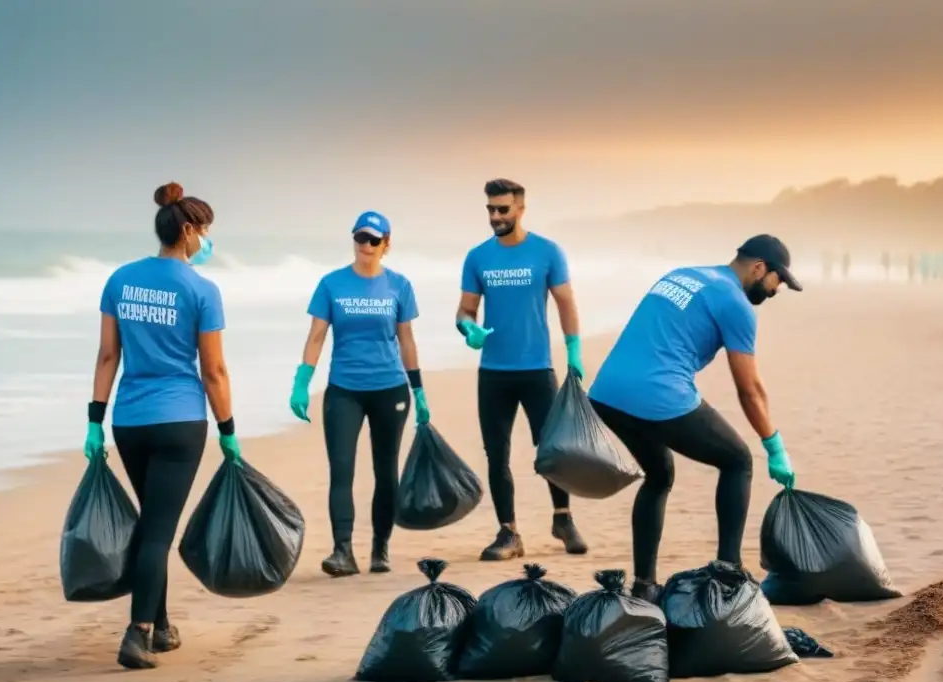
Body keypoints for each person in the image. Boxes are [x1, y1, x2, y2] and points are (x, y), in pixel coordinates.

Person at [587, 234, 800, 603]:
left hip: (606, 393)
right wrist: (774, 445)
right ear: (759, 267)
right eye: (777, 280)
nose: (776, 290)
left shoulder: (683, 274)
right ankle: (728, 572)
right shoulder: (736, 303)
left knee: (658, 475)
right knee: (737, 460)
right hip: (657, 394)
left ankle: (644, 585)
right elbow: (749, 389)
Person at [84, 181, 241, 670]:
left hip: (128, 421)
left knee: (154, 521)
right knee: (157, 533)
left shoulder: (120, 280)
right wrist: (229, 430)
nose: (208, 240)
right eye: (207, 231)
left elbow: (109, 354)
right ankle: (139, 632)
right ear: (190, 230)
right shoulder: (202, 289)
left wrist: (94, 420)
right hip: (179, 423)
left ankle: (164, 625)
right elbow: (213, 370)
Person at [289, 211, 429, 578]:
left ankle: (380, 548)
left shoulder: (399, 285)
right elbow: (316, 335)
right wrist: (302, 381)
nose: (365, 246)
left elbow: (406, 339)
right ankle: (343, 551)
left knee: (386, 471)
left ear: (386, 244)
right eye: (360, 238)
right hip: (344, 390)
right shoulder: (332, 284)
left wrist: (419, 389)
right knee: (342, 470)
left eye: (373, 239)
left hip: (390, 388)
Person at [455, 178, 587, 561]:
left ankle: (563, 518)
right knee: (497, 454)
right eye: (490, 210)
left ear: (520, 209)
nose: (495, 216)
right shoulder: (478, 257)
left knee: (552, 449)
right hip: (493, 372)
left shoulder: (547, 252)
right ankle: (508, 533)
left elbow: (565, 301)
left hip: (536, 368)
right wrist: (468, 328)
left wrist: (573, 350)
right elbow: (465, 308)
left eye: (503, 210)